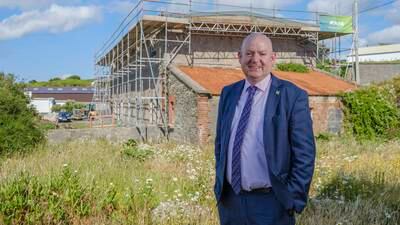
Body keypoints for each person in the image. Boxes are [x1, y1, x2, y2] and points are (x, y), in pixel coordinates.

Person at [214, 33, 316, 225]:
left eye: (262, 53)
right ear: (240, 57)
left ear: (272, 58)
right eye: (249, 53)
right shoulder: (228, 93)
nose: (255, 60)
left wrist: (292, 198)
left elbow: (305, 154)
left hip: (272, 204)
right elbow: (220, 143)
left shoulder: (292, 96)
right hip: (230, 203)